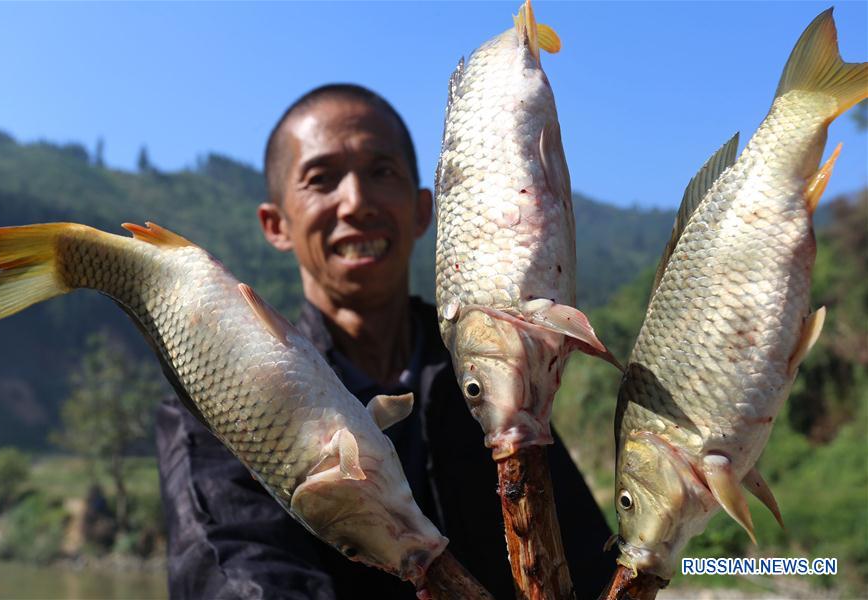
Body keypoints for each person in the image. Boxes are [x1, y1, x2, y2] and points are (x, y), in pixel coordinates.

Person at [155, 83, 617, 600]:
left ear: (425, 210)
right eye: (321, 179)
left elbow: (586, 559)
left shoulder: (492, 381)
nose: (356, 202)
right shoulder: (216, 404)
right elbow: (235, 576)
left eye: (382, 172)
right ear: (276, 224)